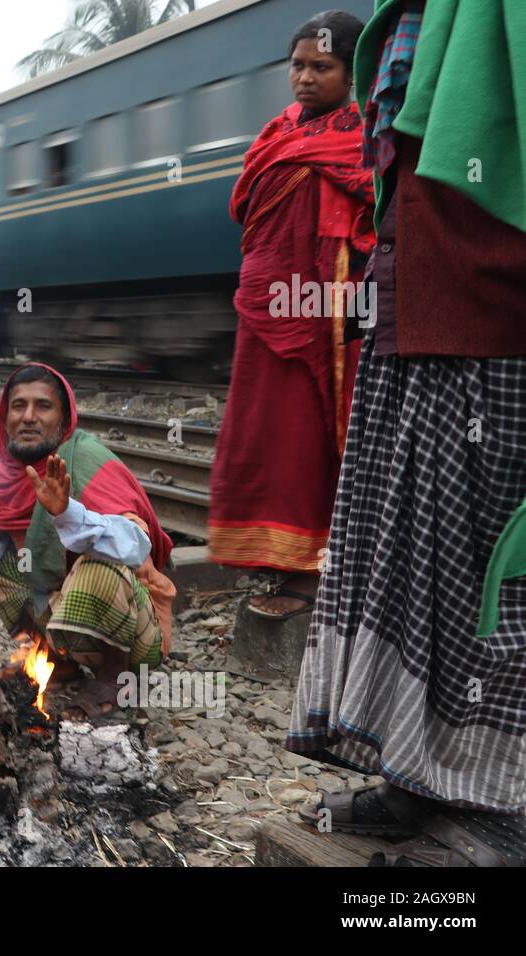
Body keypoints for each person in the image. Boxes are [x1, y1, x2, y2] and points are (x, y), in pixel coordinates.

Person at [289, 3, 526, 867]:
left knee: (490, 569)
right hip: (412, 312)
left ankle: (503, 802)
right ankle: (418, 775)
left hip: (494, 321)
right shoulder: (416, 8)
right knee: (414, 562)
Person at [206, 10, 375, 619]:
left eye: (321, 67)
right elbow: (246, 208)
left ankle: (320, 566)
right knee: (267, 433)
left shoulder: (366, 135)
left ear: (353, 71)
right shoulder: (277, 132)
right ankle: (278, 559)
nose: (305, 78)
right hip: (267, 309)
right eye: (298, 66)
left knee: (320, 434)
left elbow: (372, 218)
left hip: (332, 315)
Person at [0, 364, 176, 712]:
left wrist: (66, 513)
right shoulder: (5, 478)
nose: (28, 417)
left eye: (43, 406)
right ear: (5, 417)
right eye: (18, 406)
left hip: (137, 636)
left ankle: (112, 676)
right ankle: (59, 661)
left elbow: (135, 547)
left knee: (99, 563)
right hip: (66, 623)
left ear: (63, 419)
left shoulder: (87, 459)